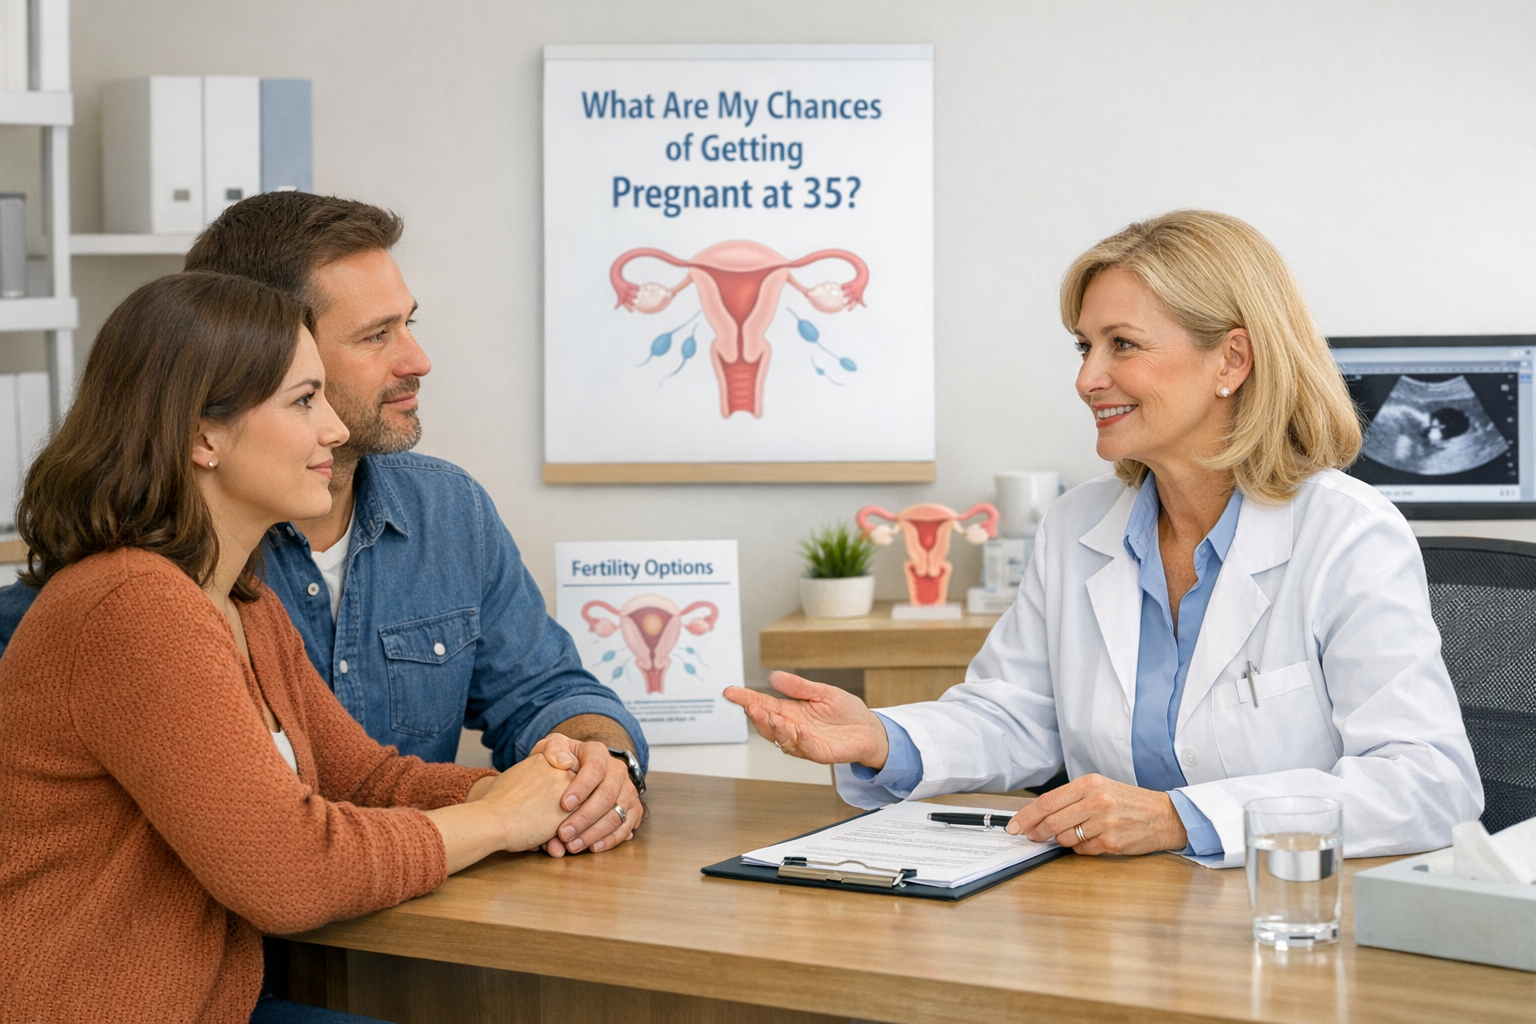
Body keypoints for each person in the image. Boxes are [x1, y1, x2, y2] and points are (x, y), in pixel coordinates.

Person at [727, 209, 1483, 867]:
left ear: (1232, 359)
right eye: (1083, 346)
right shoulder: (1078, 527)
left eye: (1122, 344)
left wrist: (1178, 819)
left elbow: (1429, 781)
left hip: (1281, 921)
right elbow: (1016, 716)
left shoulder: (1345, 534)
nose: (1089, 377)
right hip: (1115, 922)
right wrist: (879, 739)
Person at [0, 273, 581, 1023]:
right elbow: (289, 873)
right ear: (201, 435)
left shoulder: (243, 602)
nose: (335, 432)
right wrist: (501, 820)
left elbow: (360, 779)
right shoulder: (131, 608)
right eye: (303, 401)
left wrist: (549, 787)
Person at [0, 192, 643, 858]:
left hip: (382, 930)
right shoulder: (132, 596)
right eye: (375, 336)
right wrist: (501, 817)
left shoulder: (430, 518)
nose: (417, 360)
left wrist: (592, 774)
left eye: (408, 324)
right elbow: (287, 856)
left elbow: (379, 772)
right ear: (253, 347)